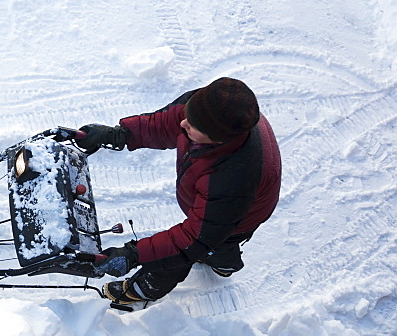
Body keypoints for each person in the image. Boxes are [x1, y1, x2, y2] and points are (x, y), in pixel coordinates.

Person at [74, 77, 281, 308]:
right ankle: (225, 261)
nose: (183, 125)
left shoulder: (232, 179)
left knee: (195, 250)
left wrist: (136, 254)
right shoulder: (207, 107)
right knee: (214, 242)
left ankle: (145, 288)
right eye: (188, 116)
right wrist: (119, 135)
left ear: (216, 139)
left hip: (241, 214)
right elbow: (165, 123)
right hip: (218, 206)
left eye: (192, 127)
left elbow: (191, 240)